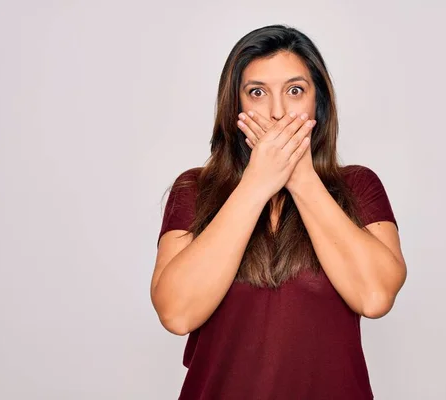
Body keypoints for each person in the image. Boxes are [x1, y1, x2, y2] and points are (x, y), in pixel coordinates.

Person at [150, 24, 407, 399]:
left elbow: (374, 296)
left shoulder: (358, 187)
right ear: (236, 106)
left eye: (295, 90)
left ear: (317, 102)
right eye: (257, 92)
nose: (277, 112)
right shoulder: (195, 189)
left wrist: (300, 178)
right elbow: (176, 313)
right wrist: (257, 184)